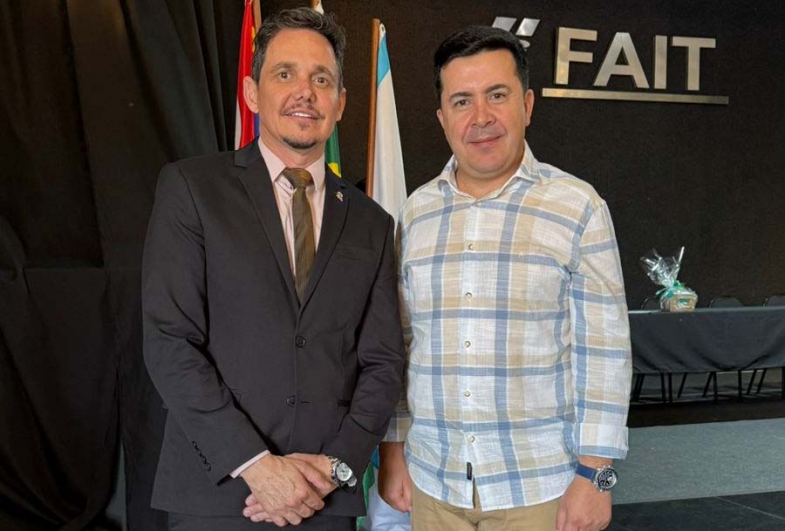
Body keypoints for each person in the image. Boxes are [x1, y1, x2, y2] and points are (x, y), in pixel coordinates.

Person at [142, 8, 405, 530]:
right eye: (285, 73)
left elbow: (383, 362)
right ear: (252, 92)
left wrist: (335, 467)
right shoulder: (192, 190)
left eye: (321, 79)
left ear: (340, 102)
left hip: (324, 497)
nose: (304, 92)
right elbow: (170, 341)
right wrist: (258, 467)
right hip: (218, 493)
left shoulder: (372, 222)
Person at [378, 26, 631, 531]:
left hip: (540, 488)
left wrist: (596, 475)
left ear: (527, 104)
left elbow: (604, 352)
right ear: (442, 117)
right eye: (462, 101)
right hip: (434, 482)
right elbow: (402, 344)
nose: (481, 117)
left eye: (497, 95)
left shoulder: (578, 207)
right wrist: (393, 450)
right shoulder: (415, 214)